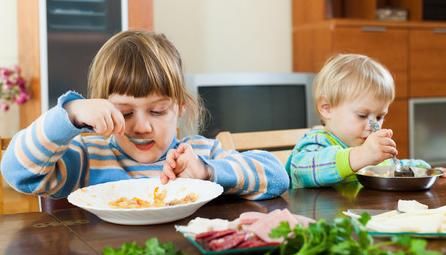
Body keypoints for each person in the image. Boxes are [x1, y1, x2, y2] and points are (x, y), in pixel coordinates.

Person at [1, 30, 289, 200]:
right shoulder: (87, 158)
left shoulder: (200, 153)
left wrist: (207, 171)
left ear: (179, 107)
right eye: (124, 113)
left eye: (158, 110)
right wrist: (69, 114)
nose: (141, 127)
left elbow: (277, 177)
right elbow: (17, 173)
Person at [286, 53, 430, 188]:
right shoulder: (317, 141)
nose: (373, 126)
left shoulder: (369, 149)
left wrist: (423, 169)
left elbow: (389, 167)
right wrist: (361, 155)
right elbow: (302, 170)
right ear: (327, 108)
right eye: (362, 115)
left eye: (379, 117)